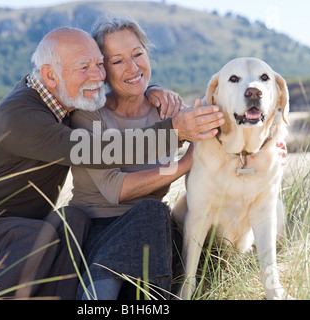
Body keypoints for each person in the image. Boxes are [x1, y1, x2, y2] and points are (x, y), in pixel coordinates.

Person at [0, 27, 225, 299]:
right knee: (36, 237)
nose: (97, 76)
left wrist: (150, 90)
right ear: (51, 75)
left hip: (20, 231)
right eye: (84, 68)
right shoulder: (20, 115)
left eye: (99, 64)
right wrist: (175, 131)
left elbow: (124, 93)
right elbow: (98, 149)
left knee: (75, 220)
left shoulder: (68, 102)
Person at [68, 15, 218, 300]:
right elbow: (115, 188)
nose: (133, 67)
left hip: (153, 237)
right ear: (103, 70)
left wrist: (269, 149)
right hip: (100, 233)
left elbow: (219, 143)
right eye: (117, 61)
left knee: (160, 217)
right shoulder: (90, 115)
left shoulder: (168, 110)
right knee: (153, 210)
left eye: (137, 54)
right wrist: (182, 165)